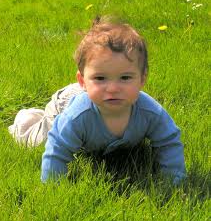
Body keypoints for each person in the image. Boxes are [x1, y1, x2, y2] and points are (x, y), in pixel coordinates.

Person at [14, 15, 187, 184]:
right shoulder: (76, 116)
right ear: (83, 81)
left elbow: (169, 141)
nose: (112, 88)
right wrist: (52, 186)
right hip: (64, 104)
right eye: (100, 78)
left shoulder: (151, 112)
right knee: (37, 141)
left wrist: (174, 180)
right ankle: (28, 118)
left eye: (125, 78)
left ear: (142, 79)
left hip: (88, 97)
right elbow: (57, 147)